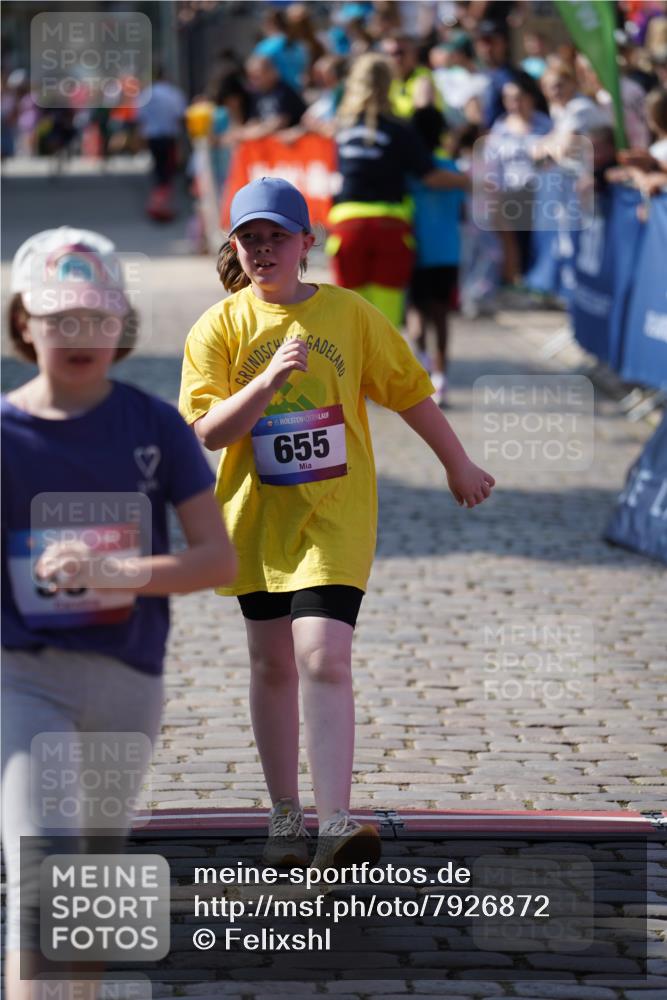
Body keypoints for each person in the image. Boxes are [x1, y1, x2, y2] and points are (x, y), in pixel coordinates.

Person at [178, 177, 495, 871]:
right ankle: (285, 813)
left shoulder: (349, 315)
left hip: (336, 517)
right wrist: (265, 382)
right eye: (250, 238)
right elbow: (207, 431)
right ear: (234, 246)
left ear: (307, 242)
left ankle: (335, 822)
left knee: (323, 656)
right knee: (272, 665)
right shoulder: (219, 326)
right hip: (257, 519)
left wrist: (457, 463)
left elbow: (410, 393)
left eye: (277, 237)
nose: (264, 249)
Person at [2, 227, 237, 1000]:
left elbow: (218, 560)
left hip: (128, 681)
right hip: (22, 681)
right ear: (24, 322)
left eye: (97, 317)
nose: (79, 334)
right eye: (59, 317)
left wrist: (114, 571)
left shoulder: (154, 426)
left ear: (121, 324)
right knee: (42, 871)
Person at [328, 53, 469, 327]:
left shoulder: (341, 128)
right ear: (389, 84)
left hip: (347, 225)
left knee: (350, 319)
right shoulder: (399, 129)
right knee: (385, 322)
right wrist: (469, 181)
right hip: (390, 225)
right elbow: (430, 177)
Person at [407, 106, 466, 408]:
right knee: (441, 316)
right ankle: (440, 378)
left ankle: (424, 370)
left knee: (416, 313)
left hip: (415, 250)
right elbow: (462, 210)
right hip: (447, 252)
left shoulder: (408, 171)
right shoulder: (452, 169)